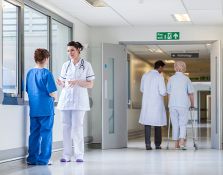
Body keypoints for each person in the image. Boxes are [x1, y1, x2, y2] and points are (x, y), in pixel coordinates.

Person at [57, 41, 95, 163]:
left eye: (72, 50)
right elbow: (64, 83)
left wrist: (77, 81)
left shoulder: (87, 65)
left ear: (78, 50)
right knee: (65, 127)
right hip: (66, 100)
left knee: (77, 127)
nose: (70, 53)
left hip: (79, 101)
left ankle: (79, 154)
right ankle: (66, 155)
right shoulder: (65, 65)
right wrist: (61, 83)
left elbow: (90, 84)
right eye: (68, 51)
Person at [26, 48, 57, 165]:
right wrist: (55, 97)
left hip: (34, 109)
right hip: (46, 109)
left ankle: (32, 159)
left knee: (34, 133)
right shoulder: (47, 73)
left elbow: (28, 90)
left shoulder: (29, 73)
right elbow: (52, 92)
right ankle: (44, 159)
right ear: (46, 59)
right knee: (46, 133)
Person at [139, 60, 167, 150]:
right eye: (162, 68)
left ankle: (147, 144)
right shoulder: (159, 77)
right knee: (157, 124)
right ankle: (157, 144)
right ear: (160, 67)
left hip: (147, 103)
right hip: (156, 103)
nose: (162, 70)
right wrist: (167, 92)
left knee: (147, 124)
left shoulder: (145, 75)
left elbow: (142, 89)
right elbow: (162, 92)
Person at [167, 61, 194, 150]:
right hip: (183, 104)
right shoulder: (187, 79)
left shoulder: (170, 79)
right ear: (184, 68)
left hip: (173, 105)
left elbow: (169, 93)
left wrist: (169, 103)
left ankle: (176, 144)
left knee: (175, 124)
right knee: (183, 123)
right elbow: (190, 93)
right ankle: (182, 141)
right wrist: (192, 105)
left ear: (175, 68)